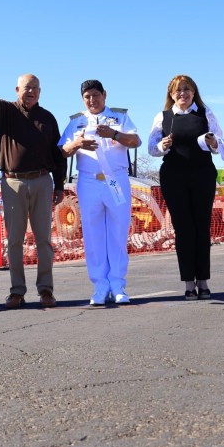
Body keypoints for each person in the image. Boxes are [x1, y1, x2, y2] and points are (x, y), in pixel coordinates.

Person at [0, 67, 66, 308]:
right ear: (17, 90)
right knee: (14, 239)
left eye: (35, 88)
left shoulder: (48, 118)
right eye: (27, 88)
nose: (31, 92)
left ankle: (46, 290)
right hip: (13, 183)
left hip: (42, 182)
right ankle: (17, 291)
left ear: (40, 92)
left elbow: (58, 154)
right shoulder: (5, 112)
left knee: (44, 240)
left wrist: (60, 185)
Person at [148, 75, 224, 300]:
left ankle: (203, 281)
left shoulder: (205, 114)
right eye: (178, 90)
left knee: (201, 227)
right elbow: (151, 148)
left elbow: (221, 143)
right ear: (171, 94)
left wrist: (214, 143)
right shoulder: (163, 117)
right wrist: (161, 145)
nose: (183, 94)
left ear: (194, 92)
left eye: (187, 89)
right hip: (174, 176)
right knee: (183, 229)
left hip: (202, 175)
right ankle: (188, 283)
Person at [59, 80, 141, 306]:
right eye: (87, 97)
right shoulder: (76, 121)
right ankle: (99, 286)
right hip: (88, 182)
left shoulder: (120, 117)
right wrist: (77, 144)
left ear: (104, 95)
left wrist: (113, 134)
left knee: (118, 231)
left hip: (115, 180)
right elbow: (62, 151)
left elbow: (135, 140)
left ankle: (117, 285)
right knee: (93, 235)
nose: (92, 100)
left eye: (96, 95)